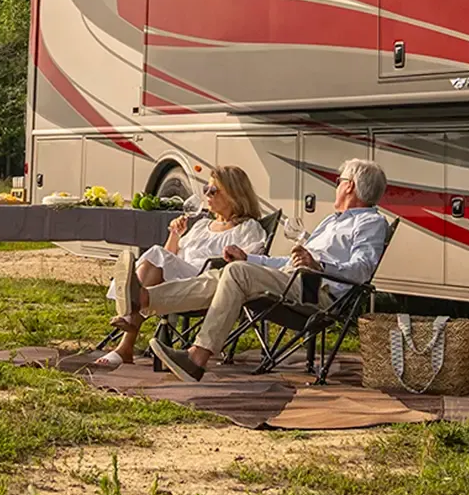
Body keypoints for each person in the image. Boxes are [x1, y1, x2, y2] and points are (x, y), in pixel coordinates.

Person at [144, 157, 394, 383]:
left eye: (339, 181)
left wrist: (319, 265)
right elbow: (289, 262)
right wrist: (249, 257)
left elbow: (361, 269)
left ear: (349, 186)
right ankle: (143, 299)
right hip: (294, 278)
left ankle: (196, 358)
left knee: (236, 273)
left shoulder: (370, 222)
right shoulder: (332, 220)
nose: (336, 185)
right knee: (226, 273)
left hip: (317, 291)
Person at [97, 165, 268, 367]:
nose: (207, 195)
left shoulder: (248, 228)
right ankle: (130, 317)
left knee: (155, 254)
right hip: (180, 273)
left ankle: (130, 314)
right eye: (206, 190)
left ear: (234, 194)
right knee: (158, 255)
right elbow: (171, 256)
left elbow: (247, 265)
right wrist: (175, 235)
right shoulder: (201, 225)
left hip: (207, 280)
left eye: (213, 191)